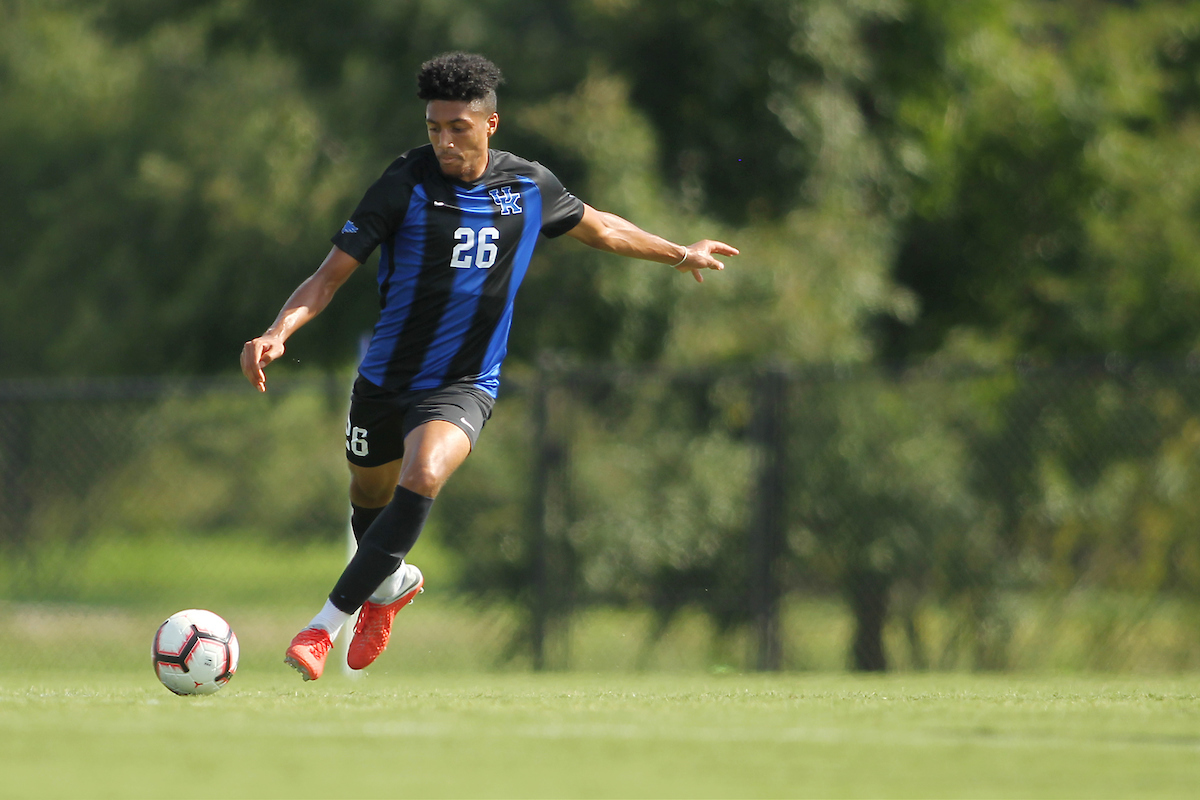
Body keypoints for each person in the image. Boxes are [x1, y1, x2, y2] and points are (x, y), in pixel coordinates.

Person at [240, 52, 738, 681]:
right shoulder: (403, 185)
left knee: (423, 473)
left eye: (458, 128)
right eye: (434, 128)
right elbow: (328, 277)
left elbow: (604, 228)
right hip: (384, 381)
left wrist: (678, 253)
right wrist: (277, 332)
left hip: (463, 383)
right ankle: (390, 585)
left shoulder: (529, 187)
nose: (444, 141)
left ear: (491, 124)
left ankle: (322, 627)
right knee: (369, 496)